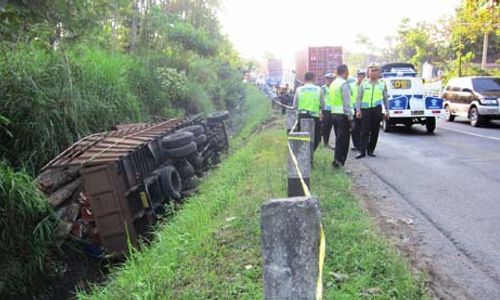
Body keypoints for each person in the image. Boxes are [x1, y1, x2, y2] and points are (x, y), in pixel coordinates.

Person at [355, 63, 388, 159]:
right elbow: (359, 98)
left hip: (377, 110)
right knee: (364, 131)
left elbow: (385, 98)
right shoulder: (364, 84)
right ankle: (362, 151)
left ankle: (371, 150)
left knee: (375, 131)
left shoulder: (382, 84)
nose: (373, 73)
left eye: (376, 71)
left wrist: (387, 111)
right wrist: (358, 110)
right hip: (365, 110)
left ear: (379, 73)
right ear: (368, 73)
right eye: (372, 71)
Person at [292, 72, 324, 150]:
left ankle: (304, 153)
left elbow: (294, 105)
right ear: (313, 78)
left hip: (302, 116)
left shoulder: (299, 89)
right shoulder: (318, 89)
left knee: (303, 136)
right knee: (316, 137)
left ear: (305, 79)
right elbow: (323, 105)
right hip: (314, 116)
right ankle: (311, 152)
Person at [330, 64, 353, 169]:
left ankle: (336, 161)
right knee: (343, 141)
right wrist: (351, 118)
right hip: (343, 116)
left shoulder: (333, 83)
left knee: (338, 140)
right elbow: (346, 103)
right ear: (345, 71)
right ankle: (339, 164)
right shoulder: (343, 84)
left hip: (334, 114)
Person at [349, 69, 366, 151]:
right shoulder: (352, 85)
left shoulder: (366, 85)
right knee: (354, 128)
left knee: (364, 128)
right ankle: (356, 145)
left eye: (362, 76)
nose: (360, 77)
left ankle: (363, 145)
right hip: (354, 109)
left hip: (364, 109)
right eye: (359, 76)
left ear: (364, 76)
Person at [321, 72, 335, 147]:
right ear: (326, 79)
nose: (330, 81)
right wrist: (321, 111)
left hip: (334, 110)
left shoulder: (336, 88)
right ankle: (325, 142)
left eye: (332, 79)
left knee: (333, 127)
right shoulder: (323, 88)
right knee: (325, 127)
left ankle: (329, 142)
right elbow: (320, 100)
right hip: (326, 110)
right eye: (328, 79)